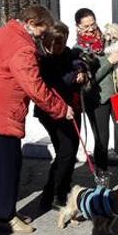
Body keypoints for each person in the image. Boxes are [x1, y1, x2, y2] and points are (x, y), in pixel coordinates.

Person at [0, 5, 72, 234]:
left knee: (3, 164)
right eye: (42, 29)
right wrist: (61, 109)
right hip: (2, 112)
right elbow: (34, 87)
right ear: (31, 22)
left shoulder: (2, 33)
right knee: (8, 167)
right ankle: (6, 218)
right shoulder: (22, 47)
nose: (43, 35)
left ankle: (8, 211)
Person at [74, 8, 118, 175]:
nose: (92, 29)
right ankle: (102, 178)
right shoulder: (77, 50)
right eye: (86, 27)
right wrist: (108, 61)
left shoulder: (109, 39)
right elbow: (88, 80)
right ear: (78, 27)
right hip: (96, 98)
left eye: (93, 24)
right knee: (101, 140)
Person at [35, 22, 86, 211]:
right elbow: (56, 82)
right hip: (52, 111)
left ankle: (57, 192)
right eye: (56, 43)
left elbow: (77, 61)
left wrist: (82, 71)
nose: (59, 47)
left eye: (62, 42)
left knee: (67, 153)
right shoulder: (43, 59)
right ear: (47, 41)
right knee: (66, 151)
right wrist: (74, 76)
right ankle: (54, 193)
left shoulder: (68, 54)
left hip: (72, 108)